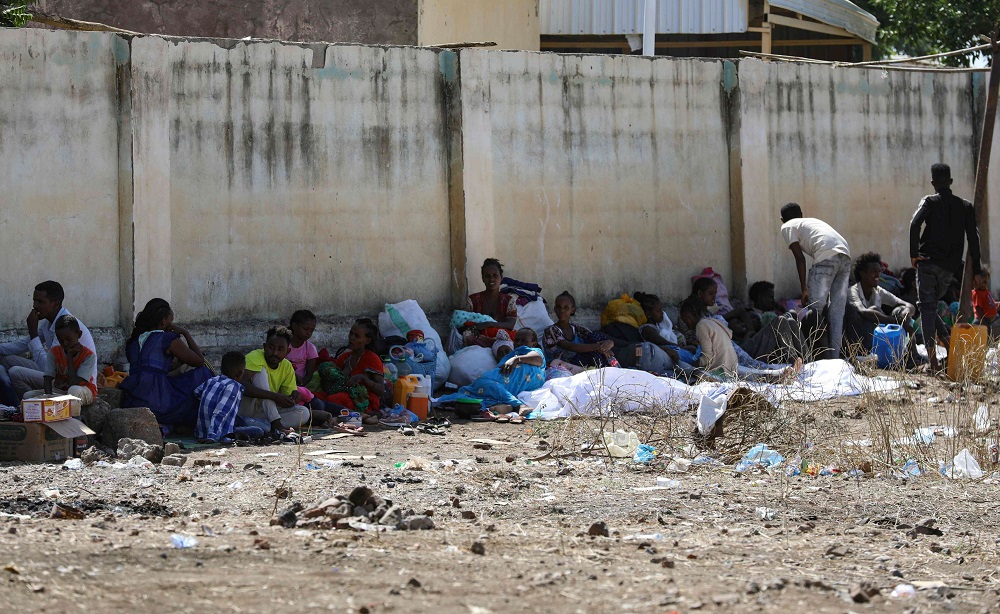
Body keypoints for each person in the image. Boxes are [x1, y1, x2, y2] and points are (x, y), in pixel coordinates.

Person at [909, 163, 983, 372]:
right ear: (951, 182)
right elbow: (974, 239)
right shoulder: (966, 206)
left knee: (927, 307)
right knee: (928, 306)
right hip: (949, 267)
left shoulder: (929, 202)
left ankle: (932, 361)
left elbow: (915, 224)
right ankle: (950, 344)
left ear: (933, 183)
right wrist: (976, 269)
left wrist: (914, 254)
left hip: (927, 262)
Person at [119, 298, 212, 431]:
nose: (172, 324)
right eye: (171, 320)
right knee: (203, 373)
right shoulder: (167, 338)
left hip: (134, 398)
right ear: (163, 321)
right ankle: (191, 424)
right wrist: (185, 333)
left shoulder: (133, 342)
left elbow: (149, 367)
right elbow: (199, 361)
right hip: (158, 401)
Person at [0, 281, 97, 400]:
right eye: (34, 301)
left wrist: (33, 331)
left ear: (55, 304)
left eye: (40, 302)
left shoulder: (65, 327)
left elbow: (48, 368)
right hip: (59, 375)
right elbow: (23, 344)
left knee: (15, 372)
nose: (35, 306)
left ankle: (26, 405)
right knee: (6, 359)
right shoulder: (48, 322)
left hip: (72, 381)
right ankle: (31, 403)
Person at [779, 203, 852, 359]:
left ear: (782, 219)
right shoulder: (811, 222)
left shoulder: (787, 226)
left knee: (814, 312)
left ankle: (816, 359)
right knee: (837, 312)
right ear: (801, 214)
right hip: (845, 255)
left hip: (826, 258)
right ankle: (834, 358)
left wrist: (804, 288)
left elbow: (799, 258)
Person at [679, 297, 800, 383]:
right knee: (753, 374)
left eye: (685, 320)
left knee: (701, 375)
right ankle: (781, 374)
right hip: (733, 363)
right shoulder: (714, 321)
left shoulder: (701, 326)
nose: (686, 323)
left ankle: (781, 374)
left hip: (723, 370)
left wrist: (695, 364)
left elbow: (708, 358)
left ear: (690, 315)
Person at [438, 328, 545, 423]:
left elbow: (538, 359)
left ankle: (518, 405)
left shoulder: (532, 352)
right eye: (516, 340)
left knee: (482, 383)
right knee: (484, 390)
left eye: (524, 341)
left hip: (516, 379)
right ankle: (502, 407)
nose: (519, 343)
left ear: (534, 343)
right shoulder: (513, 353)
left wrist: (516, 359)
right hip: (508, 382)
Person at [238, 326, 311, 435]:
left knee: (303, 413)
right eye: (271, 348)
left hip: (263, 412)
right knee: (260, 372)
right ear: (264, 347)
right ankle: (275, 423)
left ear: (287, 352)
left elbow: (287, 396)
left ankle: (261, 425)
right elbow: (242, 385)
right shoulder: (255, 357)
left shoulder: (287, 366)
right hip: (245, 408)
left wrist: (294, 397)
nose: (275, 353)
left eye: (280, 349)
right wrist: (274, 396)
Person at [845, 252, 916, 356]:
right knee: (874, 310)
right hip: (858, 337)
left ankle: (911, 355)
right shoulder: (852, 291)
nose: (878, 275)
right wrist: (895, 321)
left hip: (874, 335)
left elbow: (909, 306)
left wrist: (905, 313)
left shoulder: (878, 290)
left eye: (879, 271)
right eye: (874, 271)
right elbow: (862, 311)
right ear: (863, 273)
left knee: (900, 310)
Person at [316, 320, 385, 425]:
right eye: (351, 333)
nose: (351, 338)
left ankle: (364, 415)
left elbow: (381, 390)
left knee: (335, 399)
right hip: (341, 394)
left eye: (357, 336)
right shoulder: (345, 357)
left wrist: (363, 378)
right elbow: (335, 379)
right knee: (314, 397)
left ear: (367, 340)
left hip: (363, 400)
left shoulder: (372, 359)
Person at [22, 315, 98, 405]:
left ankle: (74, 417)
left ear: (79, 334)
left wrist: (69, 357)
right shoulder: (54, 352)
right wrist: (48, 398)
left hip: (83, 390)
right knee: (28, 396)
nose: (65, 343)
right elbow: (47, 379)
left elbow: (74, 383)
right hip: (61, 392)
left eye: (68, 339)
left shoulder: (88, 355)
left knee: (73, 391)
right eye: (61, 340)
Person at [542, 291, 616, 373]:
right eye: (559, 307)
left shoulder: (578, 329)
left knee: (595, 337)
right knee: (556, 362)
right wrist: (600, 347)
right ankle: (595, 372)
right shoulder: (551, 330)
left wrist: (609, 343)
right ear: (555, 309)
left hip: (578, 363)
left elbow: (596, 338)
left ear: (573, 310)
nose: (562, 310)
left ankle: (602, 371)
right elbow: (570, 346)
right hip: (560, 366)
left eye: (566, 308)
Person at [286, 310, 336, 427]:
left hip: (301, 388)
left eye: (311, 330)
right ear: (294, 326)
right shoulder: (283, 345)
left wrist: (301, 383)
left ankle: (348, 414)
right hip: (284, 385)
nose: (308, 333)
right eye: (305, 329)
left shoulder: (310, 348)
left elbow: (309, 374)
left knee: (318, 405)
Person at [462, 258, 519, 359]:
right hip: (478, 338)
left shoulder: (508, 300)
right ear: (483, 278)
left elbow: (510, 325)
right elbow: (464, 322)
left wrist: (488, 324)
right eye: (487, 276)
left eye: (495, 275)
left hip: (501, 338)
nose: (491, 279)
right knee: (467, 335)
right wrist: (474, 327)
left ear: (501, 277)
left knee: (505, 348)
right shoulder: (473, 300)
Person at [633, 291, 696, 379]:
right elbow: (662, 342)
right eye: (658, 311)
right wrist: (679, 347)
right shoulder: (647, 328)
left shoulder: (659, 326)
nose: (662, 313)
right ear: (648, 313)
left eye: (661, 310)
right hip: (663, 355)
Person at [741, 280, 805, 363]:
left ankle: (807, 361)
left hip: (773, 348)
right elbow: (754, 333)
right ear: (760, 297)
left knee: (791, 319)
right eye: (770, 297)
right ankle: (793, 360)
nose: (773, 301)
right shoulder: (750, 314)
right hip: (758, 350)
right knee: (780, 321)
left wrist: (782, 309)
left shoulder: (772, 313)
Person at [194, 351, 250, 443]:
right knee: (261, 429)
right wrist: (211, 437)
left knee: (243, 420)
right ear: (239, 374)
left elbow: (196, 392)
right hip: (221, 434)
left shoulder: (212, 380)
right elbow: (220, 413)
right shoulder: (233, 387)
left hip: (201, 433)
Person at [972, 269, 999, 335]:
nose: (985, 284)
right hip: (982, 320)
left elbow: (988, 303)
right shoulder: (978, 293)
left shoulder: (985, 291)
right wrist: (983, 321)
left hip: (990, 319)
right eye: (983, 282)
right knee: (984, 336)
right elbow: (978, 308)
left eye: (986, 281)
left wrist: (996, 304)